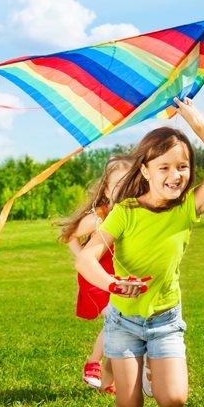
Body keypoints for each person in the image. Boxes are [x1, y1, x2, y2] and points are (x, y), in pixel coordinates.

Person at [75, 97, 204, 407]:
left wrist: (195, 121)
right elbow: (87, 258)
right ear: (144, 170)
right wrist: (114, 284)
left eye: (183, 166)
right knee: (128, 400)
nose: (176, 174)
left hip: (165, 320)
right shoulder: (125, 211)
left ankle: (154, 371)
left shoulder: (188, 208)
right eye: (164, 166)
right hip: (124, 321)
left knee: (173, 400)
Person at [57, 154, 132, 393]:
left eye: (128, 184)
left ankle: (109, 381)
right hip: (95, 276)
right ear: (106, 190)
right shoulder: (98, 217)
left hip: (115, 276)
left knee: (122, 323)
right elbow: (69, 235)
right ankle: (93, 362)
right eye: (117, 185)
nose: (122, 190)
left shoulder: (132, 213)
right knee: (115, 317)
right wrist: (82, 258)